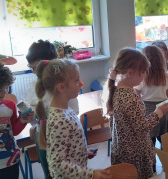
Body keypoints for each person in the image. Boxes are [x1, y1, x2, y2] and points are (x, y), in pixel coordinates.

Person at [35, 59, 111, 179]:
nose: (81, 84)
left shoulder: (65, 110)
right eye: (76, 81)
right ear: (61, 87)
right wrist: (91, 174)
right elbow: (58, 164)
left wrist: (82, 152)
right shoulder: (59, 120)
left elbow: (65, 145)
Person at [105, 47, 168, 179]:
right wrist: (158, 113)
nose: (144, 76)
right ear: (130, 73)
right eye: (142, 73)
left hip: (121, 149)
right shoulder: (131, 97)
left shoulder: (115, 90)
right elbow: (142, 128)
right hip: (135, 153)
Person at [26, 39, 79, 179]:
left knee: (69, 171)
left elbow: (75, 111)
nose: (34, 72)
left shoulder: (65, 85)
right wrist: (31, 120)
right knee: (50, 174)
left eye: (36, 68)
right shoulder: (35, 85)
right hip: (43, 137)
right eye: (31, 68)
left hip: (64, 136)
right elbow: (35, 117)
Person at [135, 45, 168, 173]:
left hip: (147, 111)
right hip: (163, 110)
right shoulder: (167, 76)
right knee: (165, 140)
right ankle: (167, 164)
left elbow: (136, 95)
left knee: (148, 142)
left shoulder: (142, 78)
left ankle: (151, 167)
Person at [0, 64, 34, 179]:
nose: (4, 93)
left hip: (11, 161)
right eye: (0, 89)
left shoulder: (10, 105)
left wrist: (22, 121)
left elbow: (13, 131)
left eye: (6, 87)